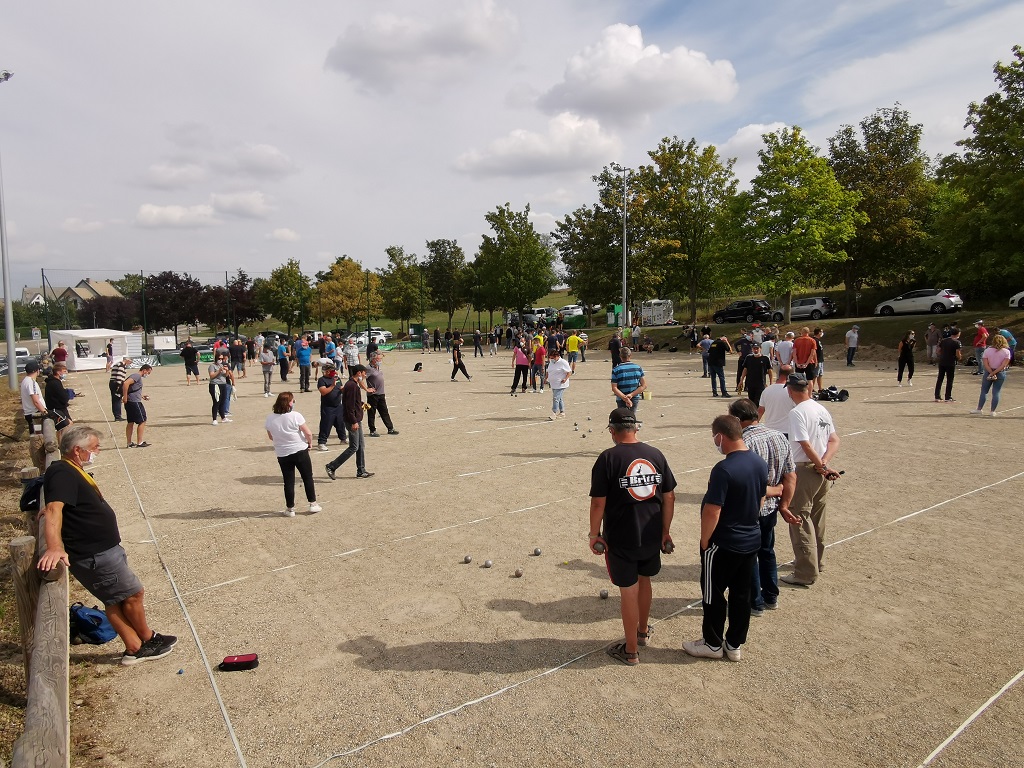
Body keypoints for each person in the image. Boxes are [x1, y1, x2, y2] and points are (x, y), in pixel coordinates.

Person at [37, 426, 178, 665]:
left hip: (101, 550)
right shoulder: (62, 472)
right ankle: (147, 639)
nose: (97, 452)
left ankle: (134, 647)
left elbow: (60, 504)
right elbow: (54, 509)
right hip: (95, 554)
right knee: (133, 593)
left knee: (115, 597)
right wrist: (53, 546)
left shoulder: (68, 470)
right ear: (77, 450)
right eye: (94, 448)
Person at [589, 407, 676, 666]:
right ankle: (642, 631)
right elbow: (669, 496)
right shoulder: (656, 454)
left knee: (628, 591)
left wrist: (594, 534)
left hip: (622, 536)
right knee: (645, 580)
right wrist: (665, 531)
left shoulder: (608, 458)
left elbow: (598, 503)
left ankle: (630, 651)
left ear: (612, 431)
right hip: (650, 533)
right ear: (635, 427)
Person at [683, 415, 767, 662]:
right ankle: (734, 644)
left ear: (721, 436)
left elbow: (713, 509)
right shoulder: (759, 463)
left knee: (713, 594)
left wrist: (705, 540)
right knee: (742, 595)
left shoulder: (724, 469)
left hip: (723, 542)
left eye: (714, 437)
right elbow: (761, 497)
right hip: (750, 540)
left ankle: (711, 642)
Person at [728, 399, 799, 616]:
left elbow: (750, 484)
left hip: (750, 509)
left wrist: (773, 492)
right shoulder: (778, 436)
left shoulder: (744, 442)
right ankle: (771, 595)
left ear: (738, 420)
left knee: (749, 556)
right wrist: (784, 504)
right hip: (771, 509)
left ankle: (755, 602)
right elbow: (790, 475)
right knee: (767, 551)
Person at [781, 374, 841, 587]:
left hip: (805, 469)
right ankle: (817, 561)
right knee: (817, 518)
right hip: (819, 469)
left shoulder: (797, 412)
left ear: (790, 390)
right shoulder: (820, 408)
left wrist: (821, 465)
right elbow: (834, 440)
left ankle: (805, 572)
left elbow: (805, 444)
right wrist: (824, 463)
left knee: (798, 518)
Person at [265, 392, 321, 517]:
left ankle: (290, 508)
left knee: (288, 481)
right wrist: (309, 443)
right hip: (299, 450)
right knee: (307, 477)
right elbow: (308, 433)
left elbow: (271, 436)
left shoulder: (270, 418)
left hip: (282, 453)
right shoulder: (296, 416)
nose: (294, 403)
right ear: (289, 403)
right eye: (293, 401)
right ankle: (313, 503)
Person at [325, 365, 374, 480]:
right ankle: (331, 466)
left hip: (356, 418)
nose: (365, 375)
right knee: (354, 447)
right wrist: (354, 421)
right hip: (352, 420)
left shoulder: (352, 384)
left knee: (361, 445)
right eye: (364, 373)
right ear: (359, 373)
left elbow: (352, 401)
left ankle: (361, 470)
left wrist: (361, 404)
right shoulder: (352, 386)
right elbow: (348, 405)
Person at [972, 334, 1012, 416]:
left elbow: (985, 364)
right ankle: (992, 411)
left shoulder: (987, 350)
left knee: (984, 391)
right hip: (1000, 372)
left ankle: (979, 409)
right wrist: (995, 373)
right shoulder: (1006, 351)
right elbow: (1003, 365)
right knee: (996, 392)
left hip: (988, 371)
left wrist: (991, 372)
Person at [315, 360, 347, 450]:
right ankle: (321, 442)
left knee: (340, 423)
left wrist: (345, 389)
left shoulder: (337, 378)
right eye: (333, 370)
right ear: (327, 371)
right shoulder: (322, 380)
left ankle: (343, 439)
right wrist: (332, 385)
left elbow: (341, 388)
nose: (335, 372)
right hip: (328, 407)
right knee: (326, 424)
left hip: (338, 405)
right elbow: (323, 392)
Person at [43, 362, 81, 436]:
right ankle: (63, 445)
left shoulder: (54, 381)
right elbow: (63, 397)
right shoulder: (55, 383)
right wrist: (67, 395)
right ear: (58, 372)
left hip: (58, 408)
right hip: (57, 409)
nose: (66, 373)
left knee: (63, 427)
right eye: (64, 371)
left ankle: (62, 445)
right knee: (66, 426)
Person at [366, 351, 398, 437]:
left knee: (384, 412)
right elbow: (360, 378)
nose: (380, 360)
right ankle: (372, 430)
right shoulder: (368, 368)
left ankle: (390, 428)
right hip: (373, 395)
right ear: (373, 360)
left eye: (380, 359)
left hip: (381, 393)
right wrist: (366, 388)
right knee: (372, 413)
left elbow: (379, 353)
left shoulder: (378, 367)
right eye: (378, 359)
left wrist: (381, 354)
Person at [757, 365, 795, 436]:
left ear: (779, 374)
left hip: (770, 431)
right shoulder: (792, 391)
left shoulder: (767, 390)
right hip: (788, 430)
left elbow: (760, 411)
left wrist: (754, 426)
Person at [122, 364, 153, 447]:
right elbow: (125, 384)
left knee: (131, 421)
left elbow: (132, 388)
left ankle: (129, 443)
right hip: (134, 402)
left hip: (131, 401)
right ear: (144, 370)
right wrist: (125, 397)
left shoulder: (135, 376)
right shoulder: (137, 376)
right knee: (142, 420)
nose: (148, 375)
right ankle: (140, 442)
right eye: (148, 372)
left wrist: (142, 396)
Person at [610, 347, 646, 415]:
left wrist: (624, 398)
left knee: (622, 419)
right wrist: (631, 395)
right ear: (630, 355)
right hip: (634, 397)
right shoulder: (638, 368)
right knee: (632, 417)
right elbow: (644, 385)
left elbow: (614, 388)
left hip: (621, 398)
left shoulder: (616, 369)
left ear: (620, 356)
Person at [934, 327, 963, 403]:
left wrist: (943, 354)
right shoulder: (957, 342)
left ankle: (937, 396)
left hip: (942, 361)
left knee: (940, 378)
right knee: (950, 379)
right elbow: (958, 353)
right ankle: (948, 396)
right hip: (950, 362)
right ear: (958, 334)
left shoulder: (944, 341)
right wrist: (959, 357)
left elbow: (938, 351)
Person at [545, 348, 572, 420]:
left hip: (561, 384)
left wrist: (565, 379)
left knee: (556, 398)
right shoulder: (551, 362)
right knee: (559, 398)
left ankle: (554, 413)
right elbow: (548, 371)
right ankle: (562, 412)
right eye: (550, 358)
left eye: (553, 358)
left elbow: (569, 372)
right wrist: (546, 378)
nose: (551, 359)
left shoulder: (563, 362)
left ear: (557, 356)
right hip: (553, 384)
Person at [208, 355, 232, 426]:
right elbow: (212, 376)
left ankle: (223, 418)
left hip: (223, 384)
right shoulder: (212, 366)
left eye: (222, 358)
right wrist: (219, 371)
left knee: (223, 401)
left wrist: (227, 370)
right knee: (216, 401)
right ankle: (214, 419)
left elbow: (226, 375)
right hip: (215, 385)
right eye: (219, 358)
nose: (220, 360)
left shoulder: (222, 365)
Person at [108, 355, 132, 421]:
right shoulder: (121, 365)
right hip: (116, 383)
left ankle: (117, 415)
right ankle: (118, 416)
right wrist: (119, 386)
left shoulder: (117, 364)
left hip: (113, 382)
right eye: (130, 362)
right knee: (117, 400)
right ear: (127, 360)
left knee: (115, 400)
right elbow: (119, 376)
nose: (130, 364)